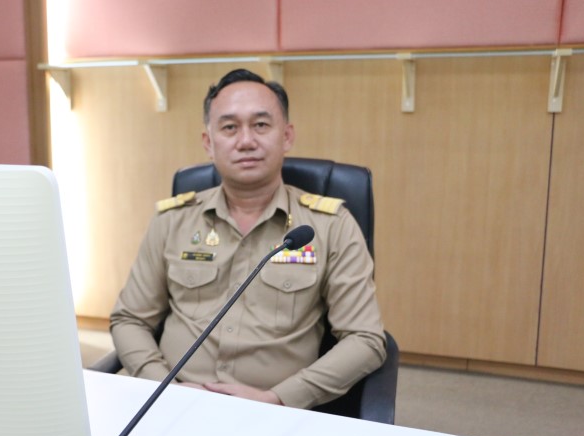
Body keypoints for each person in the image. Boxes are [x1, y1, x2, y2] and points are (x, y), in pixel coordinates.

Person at [110, 68, 386, 410]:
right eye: (229, 127)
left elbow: (365, 339)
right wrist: (161, 386)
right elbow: (130, 319)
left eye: (261, 125)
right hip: (173, 403)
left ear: (286, 136)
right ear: (208, 143)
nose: (246, 141)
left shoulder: (331, 226)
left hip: (276, 413)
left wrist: (280, 398)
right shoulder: (172, 221)